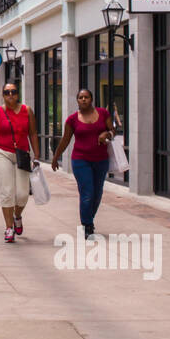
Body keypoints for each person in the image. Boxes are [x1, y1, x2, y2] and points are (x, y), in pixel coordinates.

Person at [0, 82, 39, 243]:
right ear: (2, 95)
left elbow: (33, 134)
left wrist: (37, 155)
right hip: (1, 152)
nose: (10, 95)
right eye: (7, 92)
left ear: (18, 94)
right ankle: (9, 228)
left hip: (22, 154)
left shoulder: (27, 111)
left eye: (13, 91)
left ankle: (17, 215)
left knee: (22, 195)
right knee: (7, 191)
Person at [51, 88, 115, 238]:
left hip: (101, 160)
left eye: (86, 97)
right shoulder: (72, 120)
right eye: (81, 97)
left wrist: (107, 133)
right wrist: (55, 157)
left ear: (91, 99)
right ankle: (87, 225)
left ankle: (89, 219)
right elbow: (65, 140)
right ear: (77, 100)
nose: (84, 99)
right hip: (81, 160)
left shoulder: (103, 114)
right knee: (87, 192)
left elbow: (113, 131)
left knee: (97, 193)